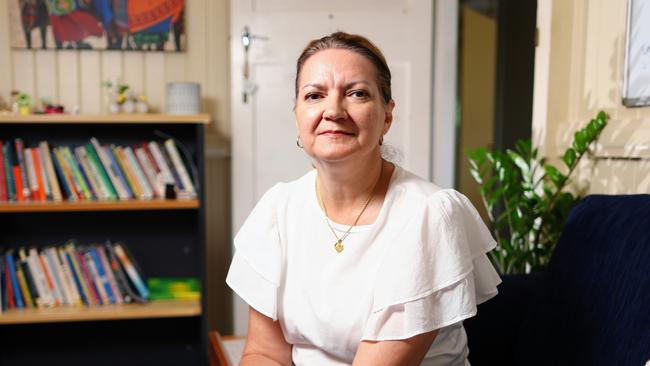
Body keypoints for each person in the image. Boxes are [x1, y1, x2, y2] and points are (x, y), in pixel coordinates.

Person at [226, 32, 501, 366]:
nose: (333, 110)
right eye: (314, 95)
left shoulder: (428, 216)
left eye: (357, 94)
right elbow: (265, 353)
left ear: (387, 114)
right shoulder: (278, 209)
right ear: (297, 114)